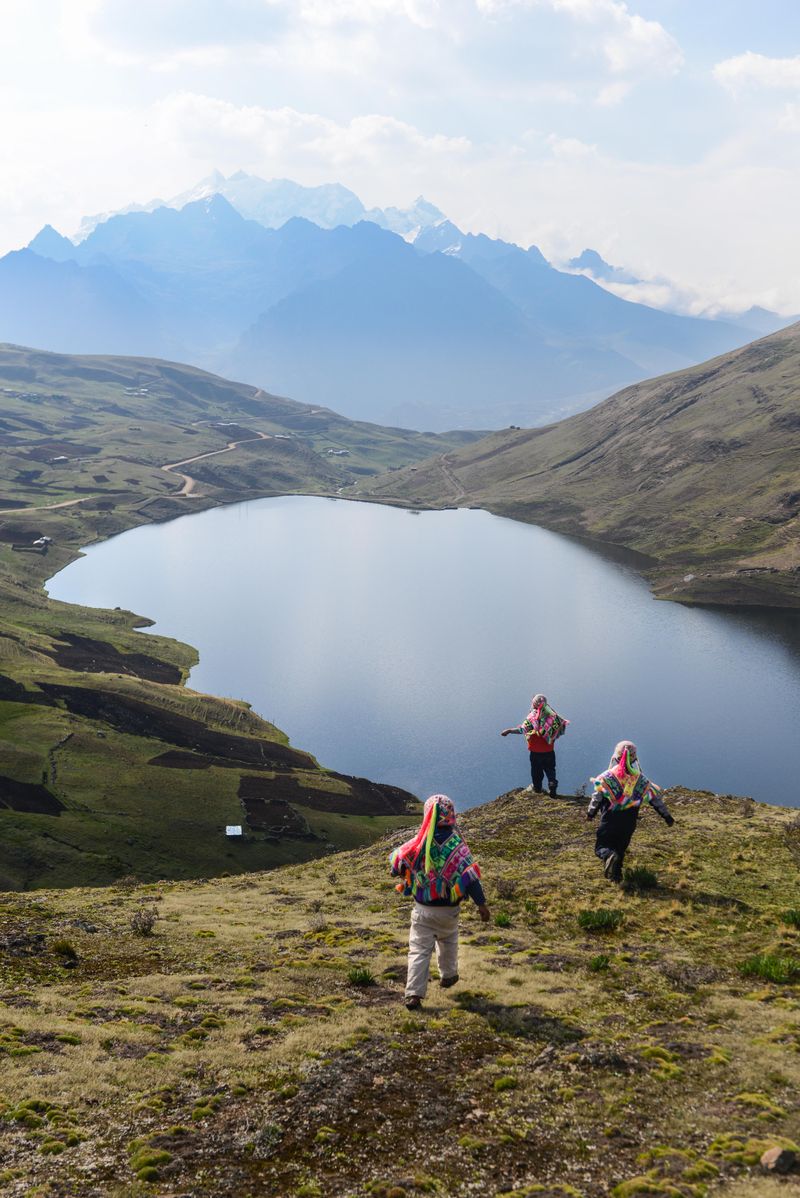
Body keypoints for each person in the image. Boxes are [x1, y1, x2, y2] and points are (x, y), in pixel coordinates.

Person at [390, 794, 490, 1010]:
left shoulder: (418, 843)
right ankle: (448, 974)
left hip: (423, 909)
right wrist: (481, 905)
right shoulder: (458, 846)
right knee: (448, 941)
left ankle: (414, 994)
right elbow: (471, 878)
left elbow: (397, 864)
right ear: (451, 815)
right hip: (449, 910)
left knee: (418, 949)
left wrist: (401, 872)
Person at [587, 740, 674, 882]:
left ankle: (608, 857)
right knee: (620, 848)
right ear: (634, 758)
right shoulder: (641, 780)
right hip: (629, 823)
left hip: (609, 820)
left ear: (615, 757)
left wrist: (591, 813)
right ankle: (616, 876)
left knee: (602, 847)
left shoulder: (606, 777)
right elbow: (654, 798)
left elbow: (596, 798)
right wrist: (666, 816)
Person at [501, 693, 569, 797]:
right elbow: (559, 729)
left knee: (536, 772)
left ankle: (537, 789)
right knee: (550, 770)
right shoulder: (552, 716)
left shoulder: (532, 717)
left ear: (534, 704)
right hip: (549, 751)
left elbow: (522, 729)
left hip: (535, 752)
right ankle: (552, 784)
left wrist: (509, 730)